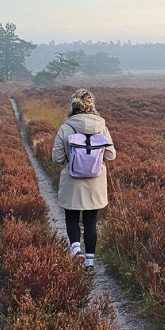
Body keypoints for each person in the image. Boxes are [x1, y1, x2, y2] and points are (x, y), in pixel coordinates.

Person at [51, 88, 116, 272]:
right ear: (91, 105)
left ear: (73, 106)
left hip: (72, 181)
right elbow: (111, 155)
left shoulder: (66, 128)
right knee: (90, 222)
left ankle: (76, 249)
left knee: (71, 219)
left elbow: (57, 158)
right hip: (95, 183)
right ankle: (89, 263)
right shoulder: (102, 128)